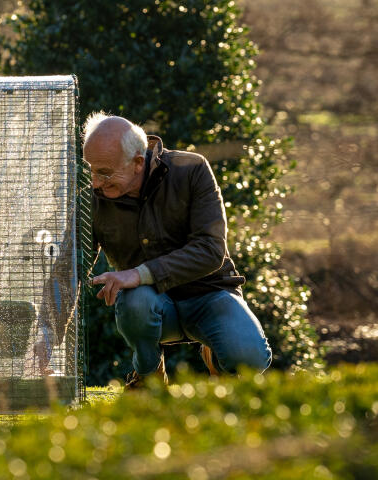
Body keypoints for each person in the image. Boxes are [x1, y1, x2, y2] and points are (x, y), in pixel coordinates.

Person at [83, 112, 271, 386]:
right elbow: (73, 266)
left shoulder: (192, 169)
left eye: (105, 173)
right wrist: (48, 335)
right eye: (90, 170)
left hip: (210, 294)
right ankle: (149, 376)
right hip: (148, 303)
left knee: (250, 360)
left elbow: (210, 249)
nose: (95, 182)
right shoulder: (91, 196)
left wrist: (138, 274)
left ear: (137, 162)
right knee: (136, 302)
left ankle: (217, 356)